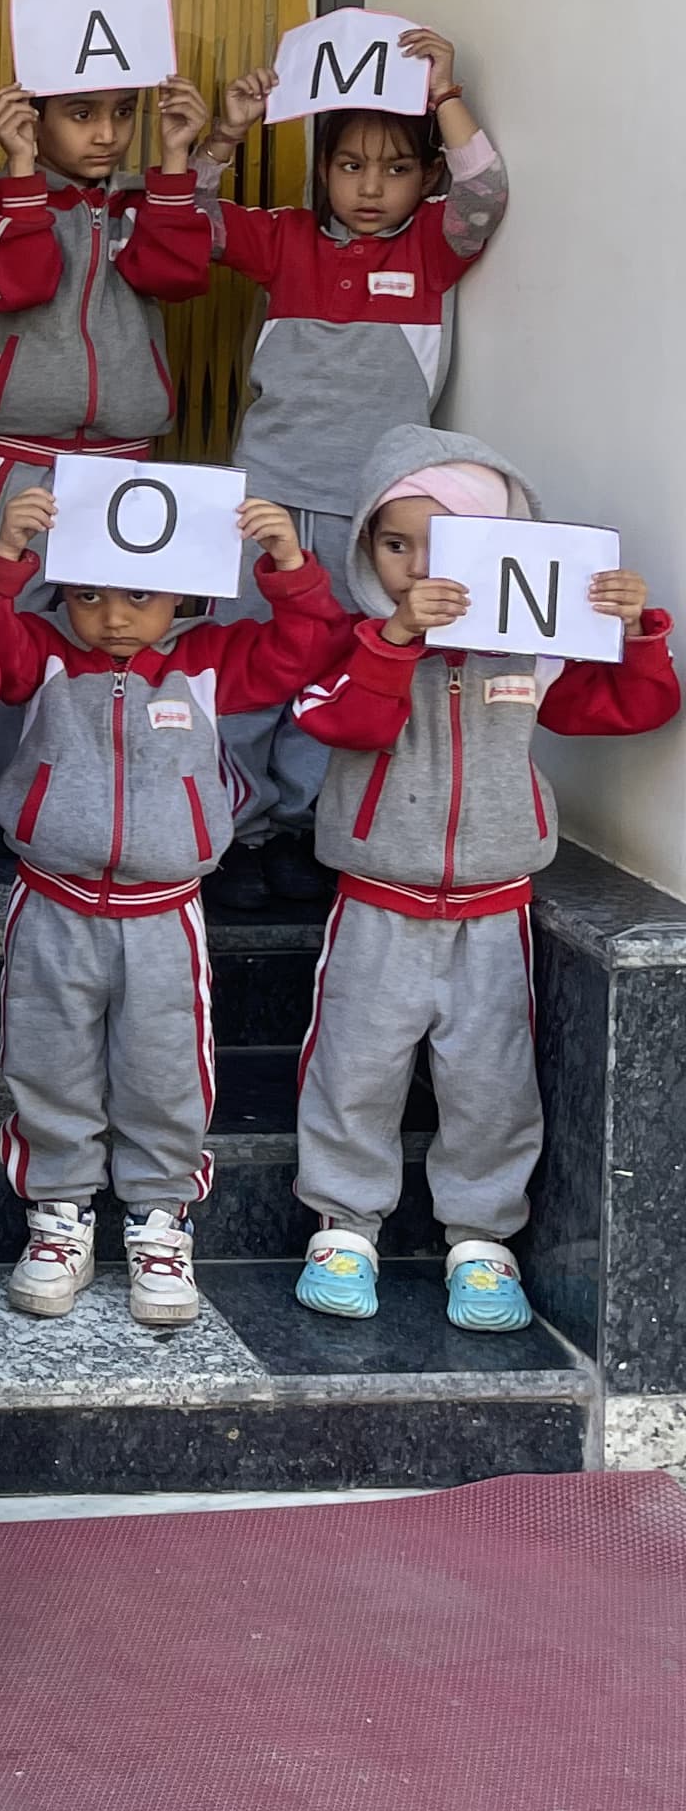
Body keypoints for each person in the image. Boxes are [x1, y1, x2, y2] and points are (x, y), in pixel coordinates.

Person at [285, 427, 677, 1329]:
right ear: (365, 549)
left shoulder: (529, 650)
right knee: (356, 1069)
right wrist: (395, 641)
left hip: (494, 908)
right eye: (394, 544)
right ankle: (344, 1224)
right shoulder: (356, 643)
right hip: (378, 902)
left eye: (443, 543)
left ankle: (482, 1239)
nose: (416, 567)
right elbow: (339, 724)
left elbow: (630, 708)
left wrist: (633, 632)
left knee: (492, 1082)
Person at [0, 478, 346, 1328]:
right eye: (88, 593)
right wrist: (3, 560)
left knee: (165, 1072)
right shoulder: (45, 656)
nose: (111, 616)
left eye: (138, 594)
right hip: (54, 903)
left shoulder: (207, 663)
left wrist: (286, 564)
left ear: (182, 590)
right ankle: (59, 1216)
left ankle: (160, 1219)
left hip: (165, 914)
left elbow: (307, 648)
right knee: (47, 1060)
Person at [192, 25, 508, 903]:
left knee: (332, 667)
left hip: (372, 514)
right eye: (351, 166)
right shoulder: (285, 239)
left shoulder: (432, 250)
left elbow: (487, 193)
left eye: (397, 168)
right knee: (249, 663)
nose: (372, 189)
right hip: (268, 502)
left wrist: (445, 92)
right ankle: (235, 830)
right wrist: (227, 133)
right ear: (321, 167)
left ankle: (299, 828)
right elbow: (191, 221)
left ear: (427, 176)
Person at [0, 72, 216, 558]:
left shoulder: (145, 200)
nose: (107, 134)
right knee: (4, 596)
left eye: (123, 111)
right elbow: (19, 285)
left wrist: (177, 157)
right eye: (82, 114)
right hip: (18, 449)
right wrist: (22, 168)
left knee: (118, 614)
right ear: (32, 116)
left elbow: (174, 279)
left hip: (123, 451)